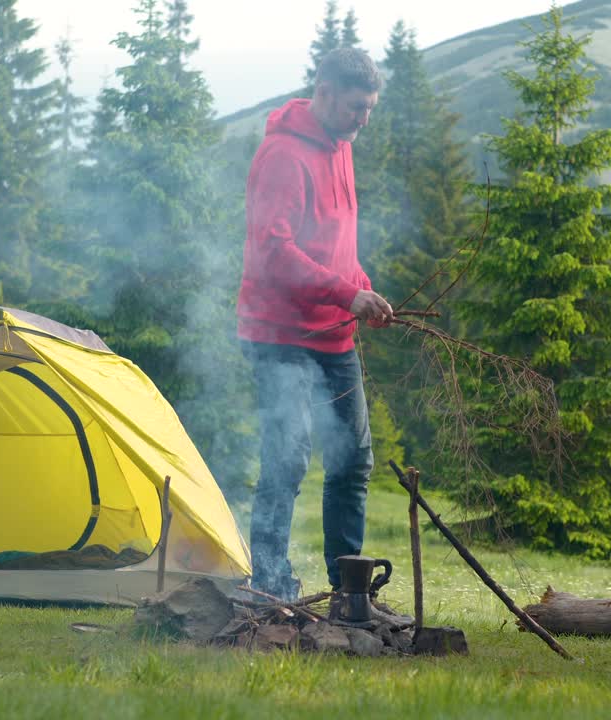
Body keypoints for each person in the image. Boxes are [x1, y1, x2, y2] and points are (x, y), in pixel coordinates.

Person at [236, 47, 394, 600]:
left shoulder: (341, 145)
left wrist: (361, 289)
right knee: (289, 455)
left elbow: (333, 244)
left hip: (335, 332)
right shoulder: (282, 155)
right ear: (324, 93)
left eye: (370, 108)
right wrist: (346, 293)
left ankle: (351, 589)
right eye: (356, 106)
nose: (364, 119)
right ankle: (270, 584)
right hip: (279, 333)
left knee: (353, 460)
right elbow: (273, 253)